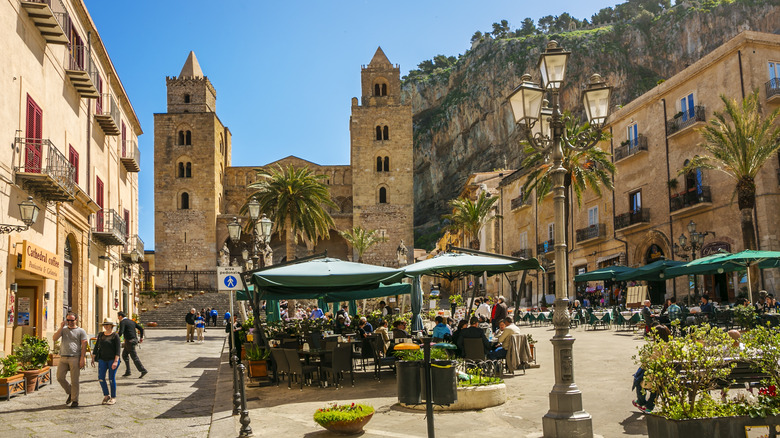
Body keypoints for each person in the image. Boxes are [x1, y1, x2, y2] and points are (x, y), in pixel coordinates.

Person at [53, 312, 89, 408]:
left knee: (75, 380)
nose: (70, 322)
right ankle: (70, 392)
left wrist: (82, 358)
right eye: (68, 320)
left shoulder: (81, 331)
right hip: (63, 357)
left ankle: (75, 400)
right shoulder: (63, 330)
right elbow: (54, 338)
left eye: (72, 320)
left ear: (76, 320)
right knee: (60, 377)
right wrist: (61, 327)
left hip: (75, 357)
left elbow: (84, 345)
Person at [633, 325, 670, 413]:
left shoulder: (653, 348)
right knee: (658, 387)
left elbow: (645, 363)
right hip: (667, 376)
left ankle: (641, 401)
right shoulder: (672, 347)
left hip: (653, 376)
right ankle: (649, 406)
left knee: (638, 379)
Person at [92, 318, 121, 405]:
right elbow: (97, 346)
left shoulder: (115, 336)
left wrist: (116, 361)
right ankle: (106, 395)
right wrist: (93, 357)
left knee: (111, 378)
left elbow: (118, 350)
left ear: (111, 326)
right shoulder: (101, 335)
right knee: (101, 378)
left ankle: (113, 397)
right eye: (105, 325)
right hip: (102, 359)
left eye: (107, 324)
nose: (106, 326)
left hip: (112, 359)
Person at [117, 311, 147, 378]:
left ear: (120, 316)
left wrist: (114, 337)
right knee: (124, 355)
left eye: (118, 316)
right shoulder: (131, 321)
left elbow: (121, 332)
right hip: (133, 340)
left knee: (134, 357)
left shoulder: (123, 322)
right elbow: (141, 328)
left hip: (129, 341)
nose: (118, 318)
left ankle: (143, 370)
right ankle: (128, 371)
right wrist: (141, 337)